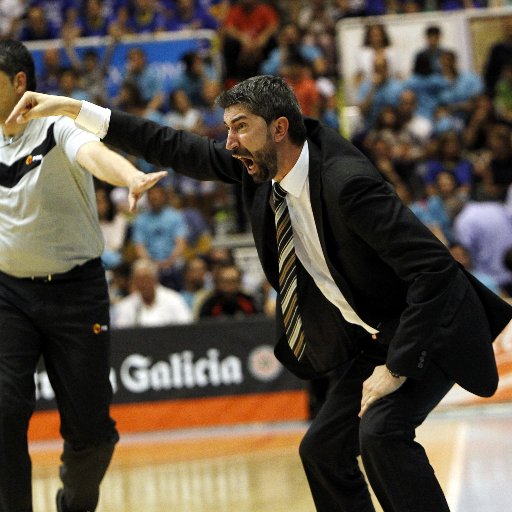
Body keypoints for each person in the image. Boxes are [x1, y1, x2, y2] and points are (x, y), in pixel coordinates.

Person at [8, 74, 512, 512]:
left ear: (279, 128)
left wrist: (396, 366)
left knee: (380, 434)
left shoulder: (346, 184)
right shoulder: (261, 167)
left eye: (239, 127)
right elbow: (172, 144)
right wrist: (73, 108)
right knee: (322, 450)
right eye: (227, 128)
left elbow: (436, 272)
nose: (228, 142)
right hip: (378, 330)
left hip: (430, 324)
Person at [0, 40, 167, 512]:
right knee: (3, 410)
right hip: (9, 293)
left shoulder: (56, 125)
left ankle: (73, 503)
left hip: (77, 293)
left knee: (91, 434)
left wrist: (130, 176)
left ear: (18, 83)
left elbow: (94, 154)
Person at [112, 258, 193, 328]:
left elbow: (186, 327)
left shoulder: (174, 300)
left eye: (145, 280)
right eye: (138, 280)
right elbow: (121, 332)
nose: (142, 284)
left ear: (155, 279)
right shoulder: (126, 306)